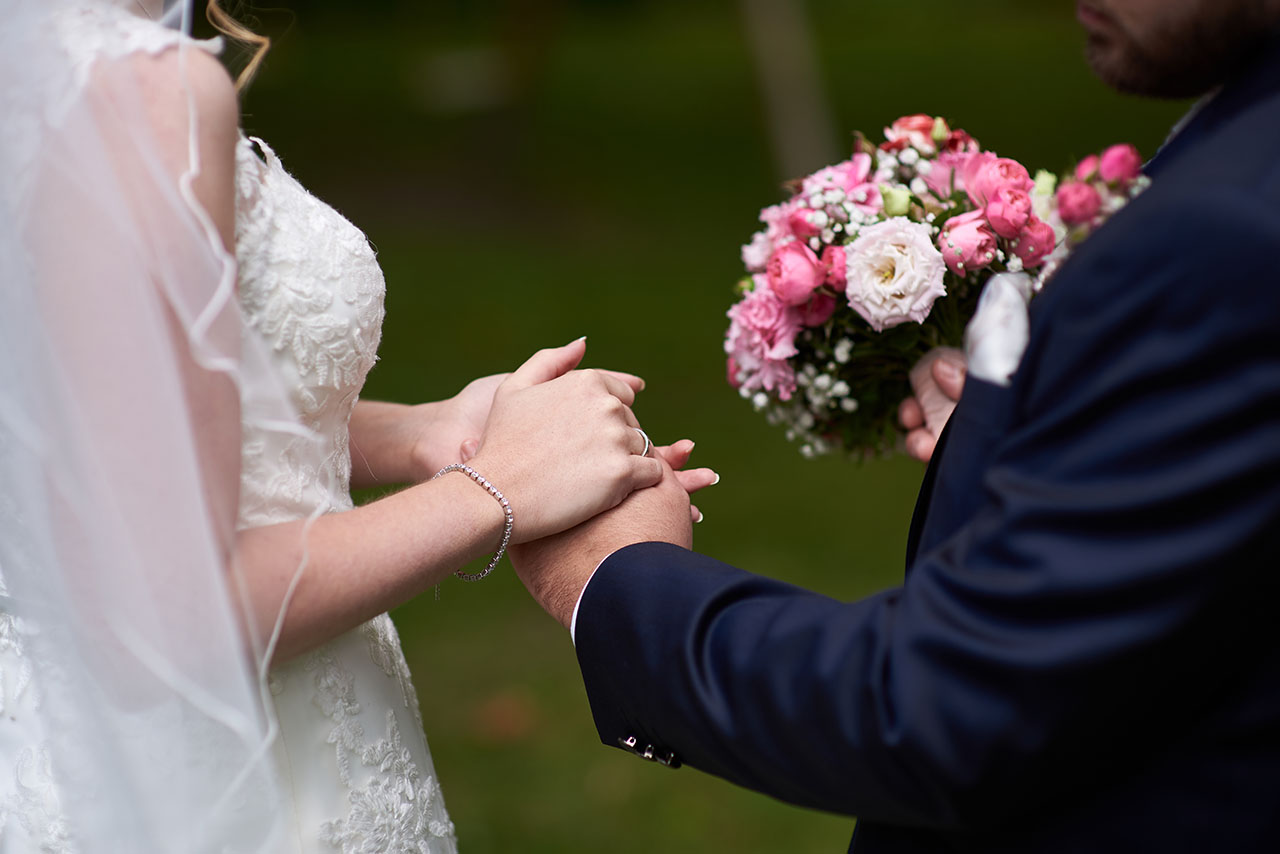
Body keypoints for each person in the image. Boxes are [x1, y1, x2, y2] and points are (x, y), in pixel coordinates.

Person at [508, 1, 1280, 850]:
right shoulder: (1243, 134)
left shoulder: (1226, 233)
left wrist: (614, 582)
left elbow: (950, 709)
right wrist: (1037, 430)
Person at [0, 1, 715, 851]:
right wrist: (499, 489)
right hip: (236, 786)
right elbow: (171, 615)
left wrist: (417, 429)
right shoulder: (144, 93)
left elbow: (90, 419)